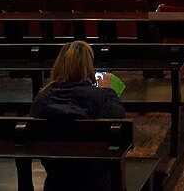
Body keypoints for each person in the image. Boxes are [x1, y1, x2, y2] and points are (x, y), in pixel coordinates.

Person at [30, 41, 126, 191]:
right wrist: (107, 90)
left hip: (56, 179)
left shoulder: (42, 99)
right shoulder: (102, 97)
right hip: (95, 181)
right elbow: (119, 121)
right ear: (89, 67)